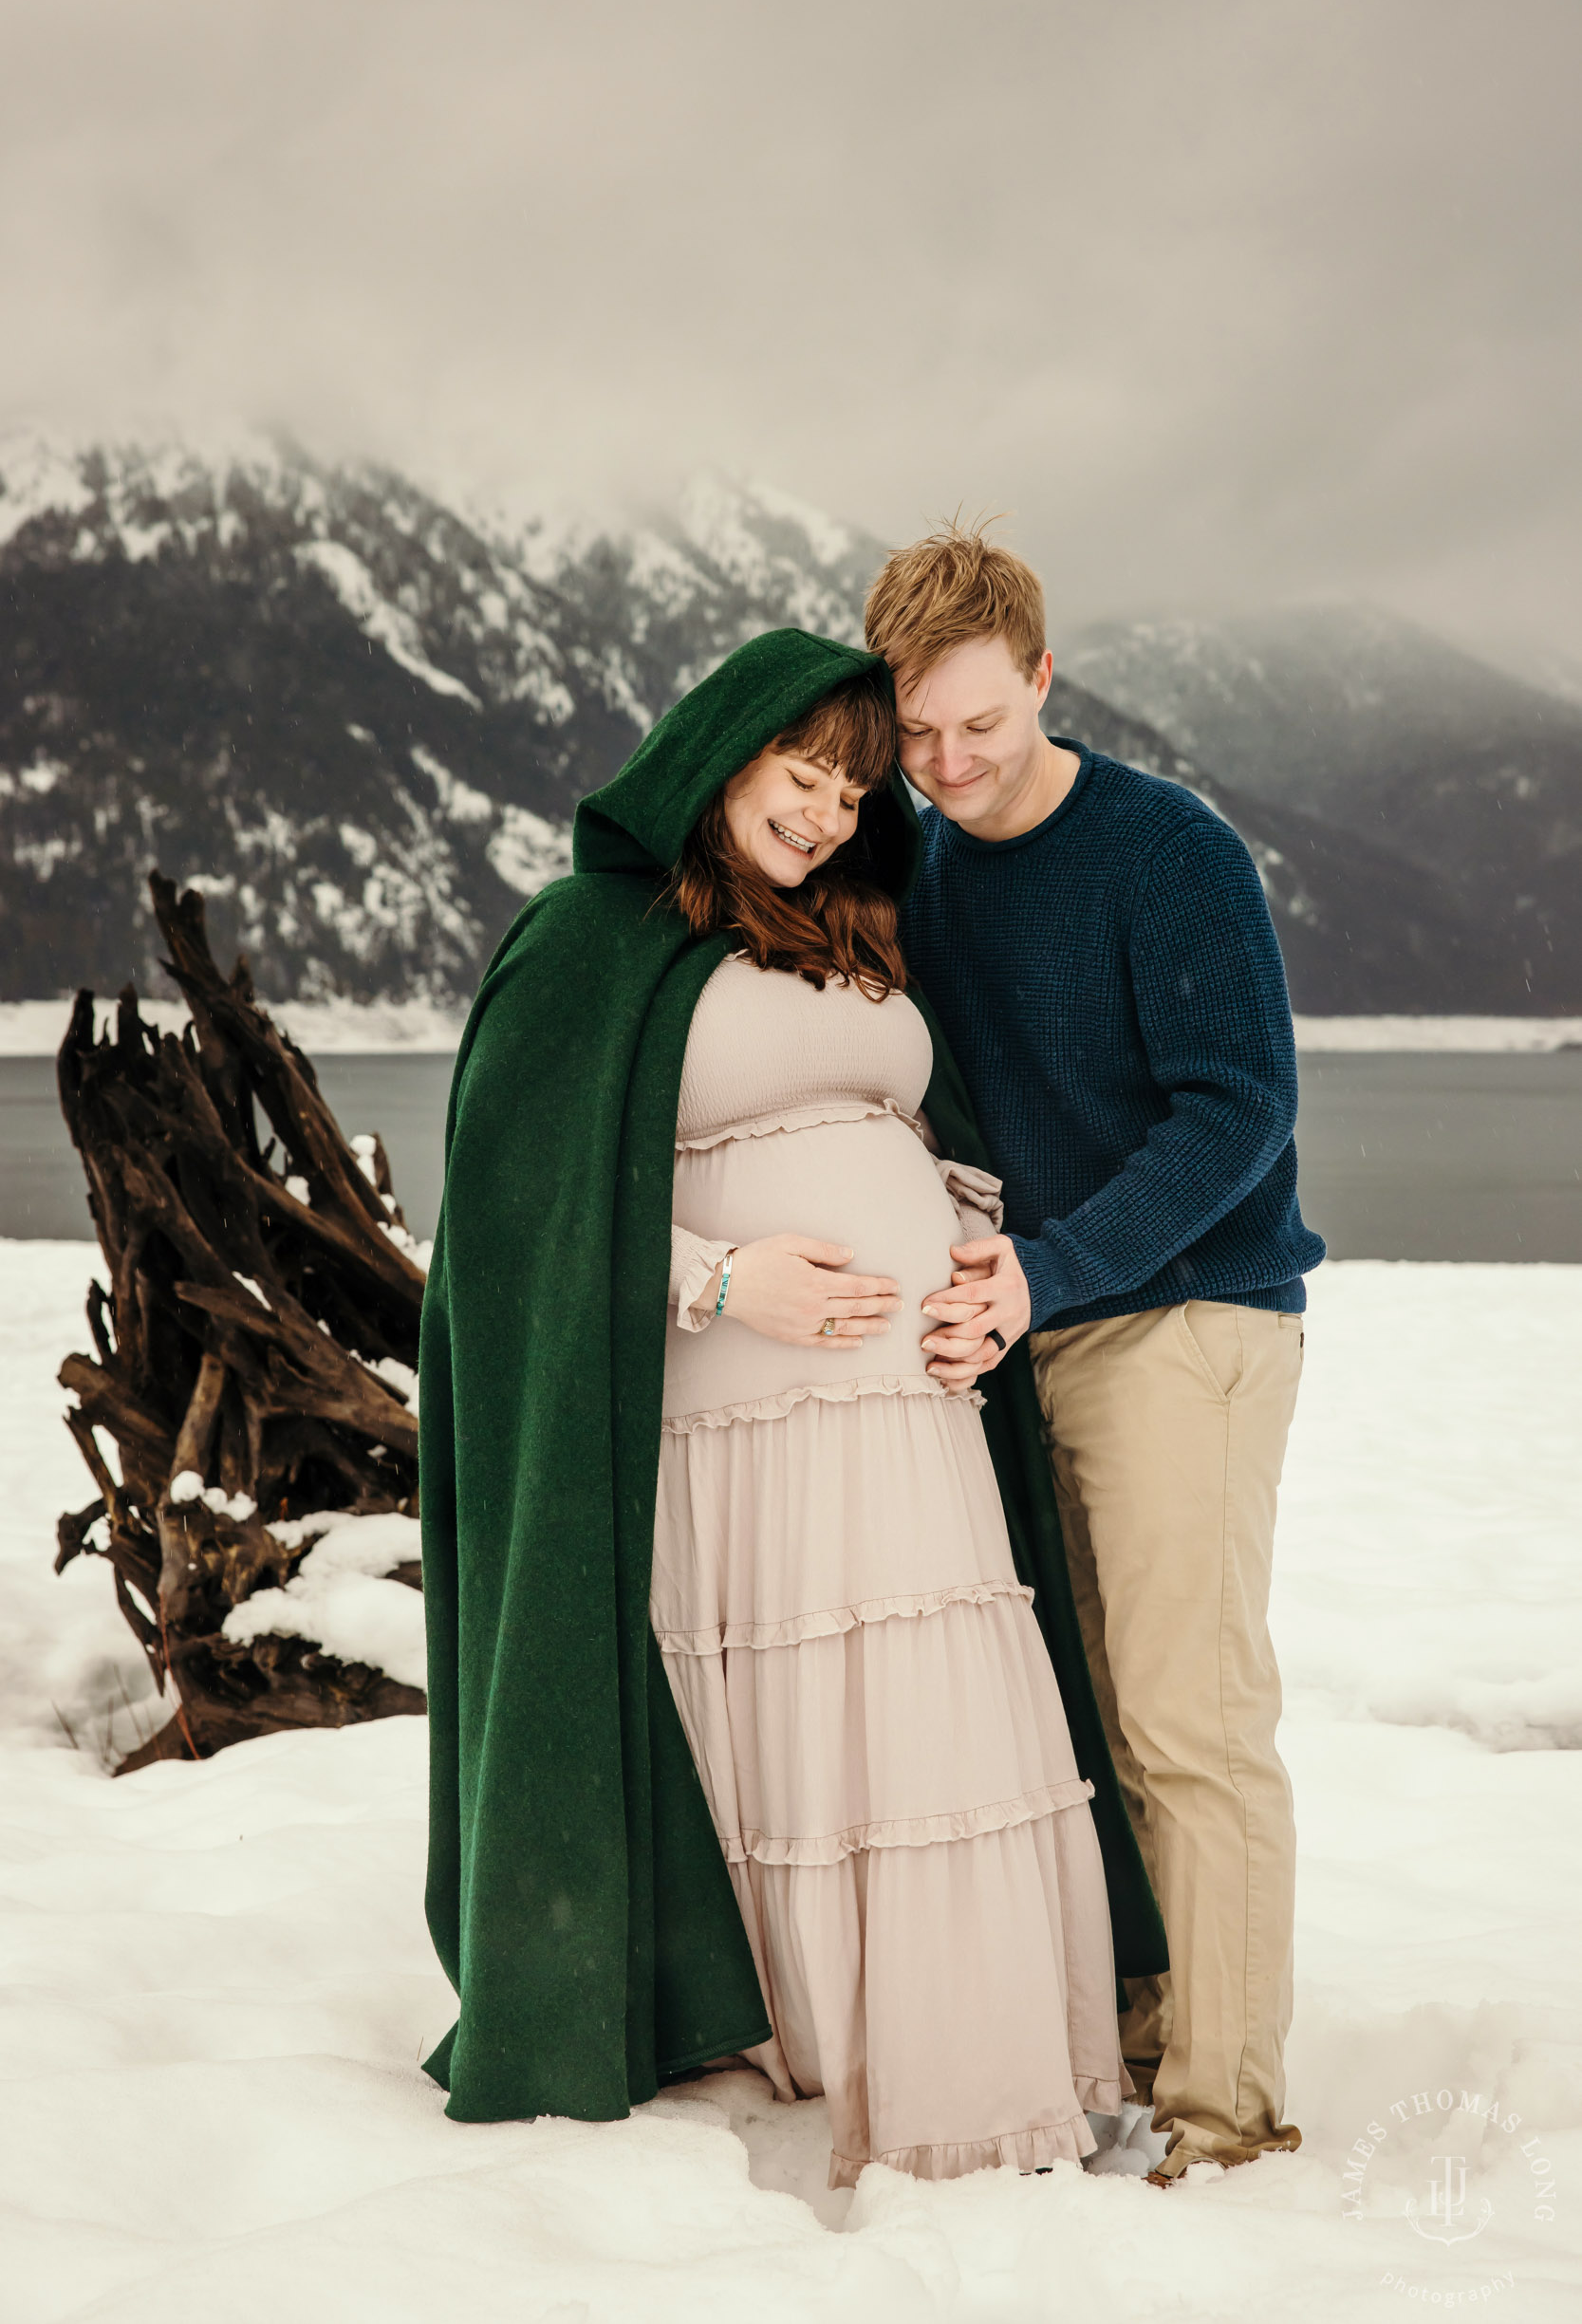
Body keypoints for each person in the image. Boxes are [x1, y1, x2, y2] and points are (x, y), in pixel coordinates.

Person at [419, 626, 1164, 2187]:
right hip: (734, 1435)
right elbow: (509, 1224)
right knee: (797, 1737)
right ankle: (786, 2040)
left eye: (855, 784)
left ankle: (954, 2063)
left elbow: (916, 1125)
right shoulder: (585, 938)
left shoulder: (859, 925)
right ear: (721, 753)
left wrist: (968, 1255)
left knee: (928, 1728)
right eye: (802, 771)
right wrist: (716, 1279)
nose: (828, 809)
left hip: (911, 1411)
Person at [865, 523, 1325, 2184]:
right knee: (1082, 1710)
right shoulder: (923, 864)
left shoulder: (1167, 852)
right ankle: (1142, 2026)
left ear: (1043, 677)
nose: (949, 764)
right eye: (916, 738)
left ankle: (1229, 2113)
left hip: (1189, 1317)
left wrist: (1046, 1271)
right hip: (1031, 1330)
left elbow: (1240, 1114)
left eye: (979, 723)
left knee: (1191, 1722)